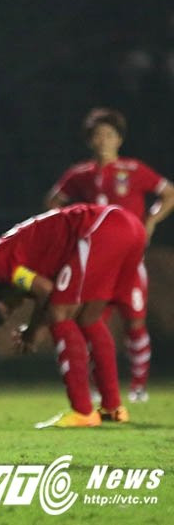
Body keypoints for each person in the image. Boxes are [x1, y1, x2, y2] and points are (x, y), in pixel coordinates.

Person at [0, 203, 146, 428]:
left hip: (101, 229)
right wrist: (34, 329)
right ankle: (113, 408)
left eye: (8, 308)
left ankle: (82, 411)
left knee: (60, 313)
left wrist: (31, 333)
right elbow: (47, 292)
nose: (16, 306)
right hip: (129, 226)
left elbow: (46, 292)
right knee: (88, 319)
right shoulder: (17, 267)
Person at [45, 108, 174, 402]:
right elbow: (54, 201)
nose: (103, 140)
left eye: (109, 135)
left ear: (119, 139)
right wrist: (69, 230)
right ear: (90, 140)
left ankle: (139, 386)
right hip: (95, 264)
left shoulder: (134, 170)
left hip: (128, 261)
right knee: (89, 322)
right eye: (98, 135)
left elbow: (169, 193)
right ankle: (95, 385)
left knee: (135, 321)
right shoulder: (80, 174)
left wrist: (151, 220)